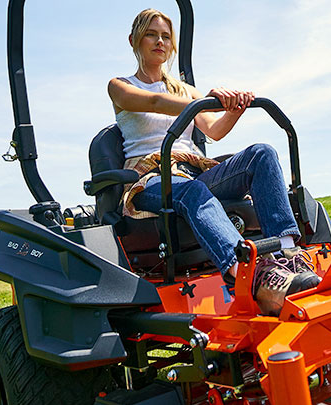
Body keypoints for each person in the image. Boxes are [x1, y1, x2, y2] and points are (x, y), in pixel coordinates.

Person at [108, 8, 319, 315]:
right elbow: (153, 102)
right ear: (134, 40)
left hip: (192, 172)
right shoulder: (120, 85)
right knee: (191, 192)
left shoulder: (185, 90)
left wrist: (233, 108)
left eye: (166, 36)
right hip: (151, 178)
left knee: (262, 153)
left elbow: (215, 131)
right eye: (151, 34)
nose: (160, 41)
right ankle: (249, 274)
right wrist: (203, 100)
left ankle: (288, 255)